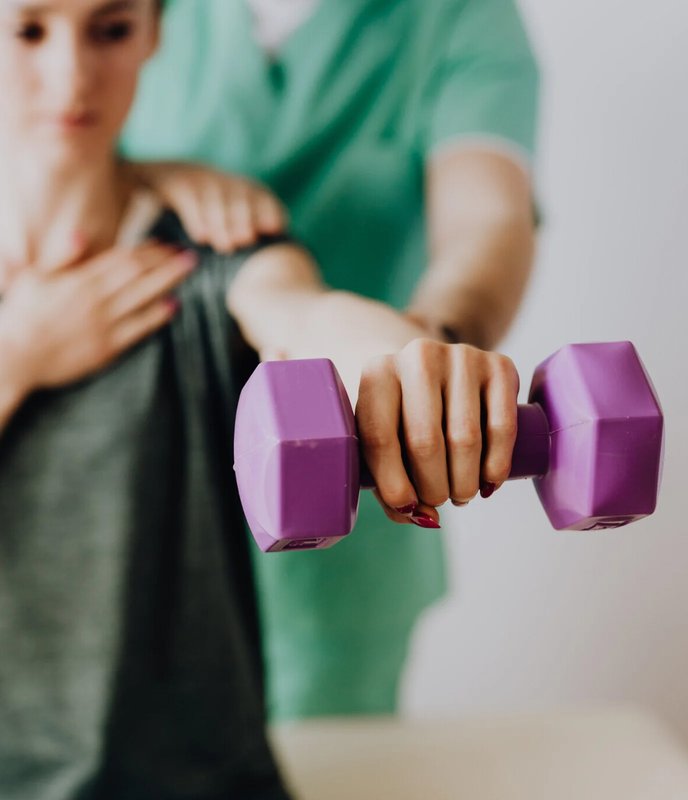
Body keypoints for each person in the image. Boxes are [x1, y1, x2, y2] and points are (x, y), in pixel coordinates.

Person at [0, 0, 521, 795]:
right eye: (28, 31)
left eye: (110, 30)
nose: (71, 77)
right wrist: (17, 357)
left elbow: (303, 311)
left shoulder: (210, 253)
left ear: (153, 33)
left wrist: (409, 359)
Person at [120, 0, 541, 720]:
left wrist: (421, 356)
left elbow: (488, 220)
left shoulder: (457, 18)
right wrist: (141, 178)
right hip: (131, 511)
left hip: (347, 528)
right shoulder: (132, 17)